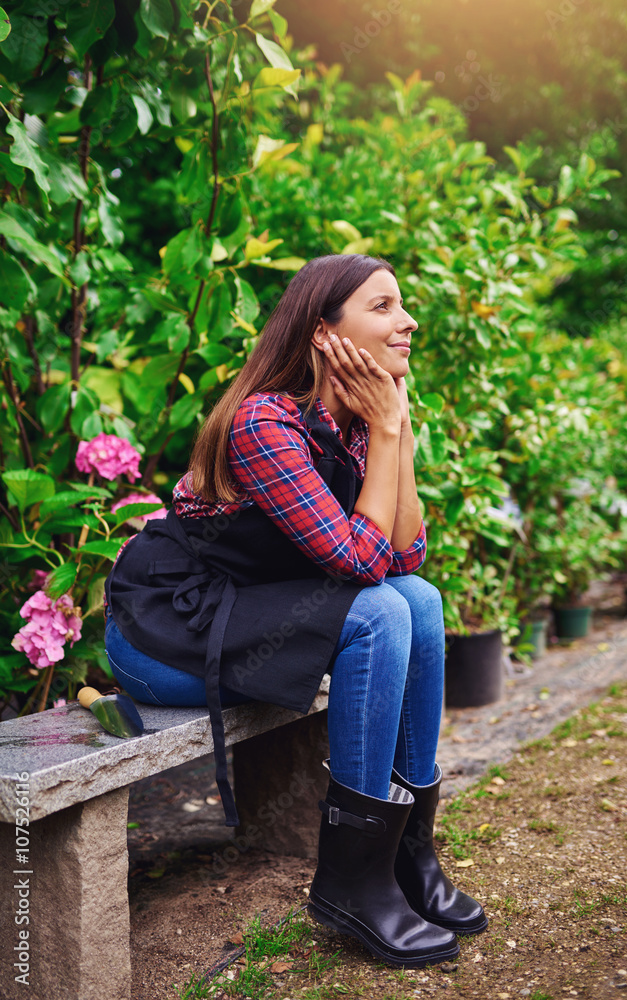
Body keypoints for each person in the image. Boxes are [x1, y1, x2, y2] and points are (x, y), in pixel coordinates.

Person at [104, 254, 487, 967]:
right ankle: (350, 883)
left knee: (420, 603)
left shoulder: (355, 422)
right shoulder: (264, 423)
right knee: (378, 611)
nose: (406, 322)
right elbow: (363, 567)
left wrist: (391, 426)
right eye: (382, 307)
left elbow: (405, 559)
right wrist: (391, 429)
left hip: (252, 611)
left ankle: (406, 857)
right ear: (322, 331)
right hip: (167, 637)